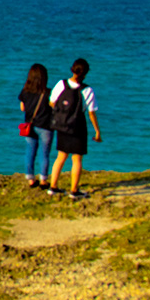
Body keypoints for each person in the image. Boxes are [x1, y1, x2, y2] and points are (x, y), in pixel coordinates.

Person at [47, 58, 102, 199]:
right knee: (77, 159)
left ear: (72, 69)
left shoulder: (61, 84)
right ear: (86, 73)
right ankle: (74, 190)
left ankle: (53, 186)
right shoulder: (87, 90)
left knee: (61, 156)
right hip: (78, 127)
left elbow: (52, 102)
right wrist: (97, 130)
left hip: (62, 125)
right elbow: (91, 112)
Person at [19, 63, 54, 188]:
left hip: (29, 125)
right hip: (45, 126)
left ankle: (31, 179)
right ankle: (44, 180)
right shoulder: (48, 93)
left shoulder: (25, 91)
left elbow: (22, 108)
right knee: (44, 154)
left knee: (30, 152)